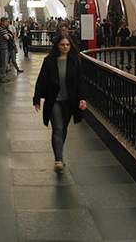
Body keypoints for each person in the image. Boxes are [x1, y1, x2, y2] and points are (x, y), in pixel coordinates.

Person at [33, 35, 88, 173]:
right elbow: (41, 80)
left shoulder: (75, 61)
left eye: (67, 45)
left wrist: (82, 98)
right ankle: (58, 159)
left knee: (63, 128)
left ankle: (59, 153)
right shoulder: (49, 61)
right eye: (62, 45)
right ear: (57, 46)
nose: (65, 47)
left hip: (70, 101)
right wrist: (37, 98)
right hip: (54, 100)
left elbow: (80, 81)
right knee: (57, 128)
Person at [0, 17, 11, 81]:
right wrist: (8, 35)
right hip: (2, 48)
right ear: (2, 22)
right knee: (3, 63)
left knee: (4, 62)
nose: (7, 23)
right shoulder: (1, 29)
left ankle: (3, 77)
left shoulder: (3, 29)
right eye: (6, 22)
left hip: (4, 47)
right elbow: (7, 38)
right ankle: (2, 77)